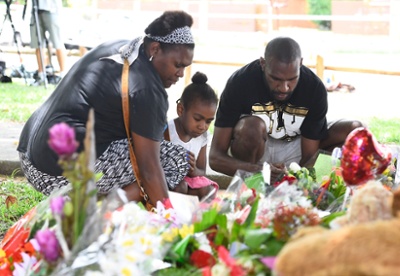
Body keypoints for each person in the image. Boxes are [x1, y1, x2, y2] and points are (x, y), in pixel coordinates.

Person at [17, 11, 195, 208]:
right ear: (155, 48)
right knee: (177, 159)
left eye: (185, 67)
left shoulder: (122, 46)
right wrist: (173, 222)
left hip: (29, 155)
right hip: (56, 174)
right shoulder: (147, 88)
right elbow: (149, 170)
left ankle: (102, 203)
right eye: (178, 65)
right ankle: (102, 213)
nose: (180, 73)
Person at [209, 37, 364, 179]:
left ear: (301, 64)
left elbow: (310, 155)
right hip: (256, 151)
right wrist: (259, 171)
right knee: (251, 128)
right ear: (263, 64)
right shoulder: (240, 82)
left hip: (297, 150)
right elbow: (215, 157)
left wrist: (297, 180)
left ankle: (313, 191)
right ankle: (252, 188)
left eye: (292, 79)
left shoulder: (313, 87)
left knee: (355, 131)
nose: (284, 88)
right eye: (275, 79)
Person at [164, 71, 219, 200]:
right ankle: (172, 216)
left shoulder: (203, 136)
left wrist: (193, 170)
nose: (203, 126)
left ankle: (199, 217)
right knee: (180, 186)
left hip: (190, 181)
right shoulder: (167, 131)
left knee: (208, 190)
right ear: (181, 110)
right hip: (168, 182)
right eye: (197, 119)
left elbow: (202, 172)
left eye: (208, 121)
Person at [29, 0, 66, 82]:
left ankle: (63, 74)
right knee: (38, 44)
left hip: (52, 9)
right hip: (35, 10)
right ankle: (41, 75)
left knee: (58, 42)